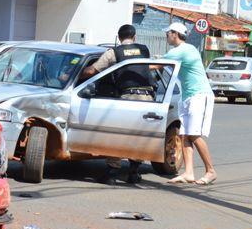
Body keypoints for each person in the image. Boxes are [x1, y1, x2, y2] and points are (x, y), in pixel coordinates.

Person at [82, 24, 152, 184]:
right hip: (148, 98)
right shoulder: (144, 50)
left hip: (128, 97)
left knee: (117, 134)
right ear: (134, 37)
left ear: (119, 38)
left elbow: (93, 71)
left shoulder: (114, 52)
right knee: (138, 135)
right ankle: (134, 172)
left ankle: (112, 173)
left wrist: (78, 75)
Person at [163, 22, 216, 185]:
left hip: (200, 95)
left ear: (175, 34)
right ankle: (189, 173)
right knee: (185, 134)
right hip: (188, 96)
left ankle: (211, 171)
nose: (166, 36)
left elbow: (156, 64)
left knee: (194, 134)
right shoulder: (183, 50)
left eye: (168, 33)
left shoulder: (183, 50)